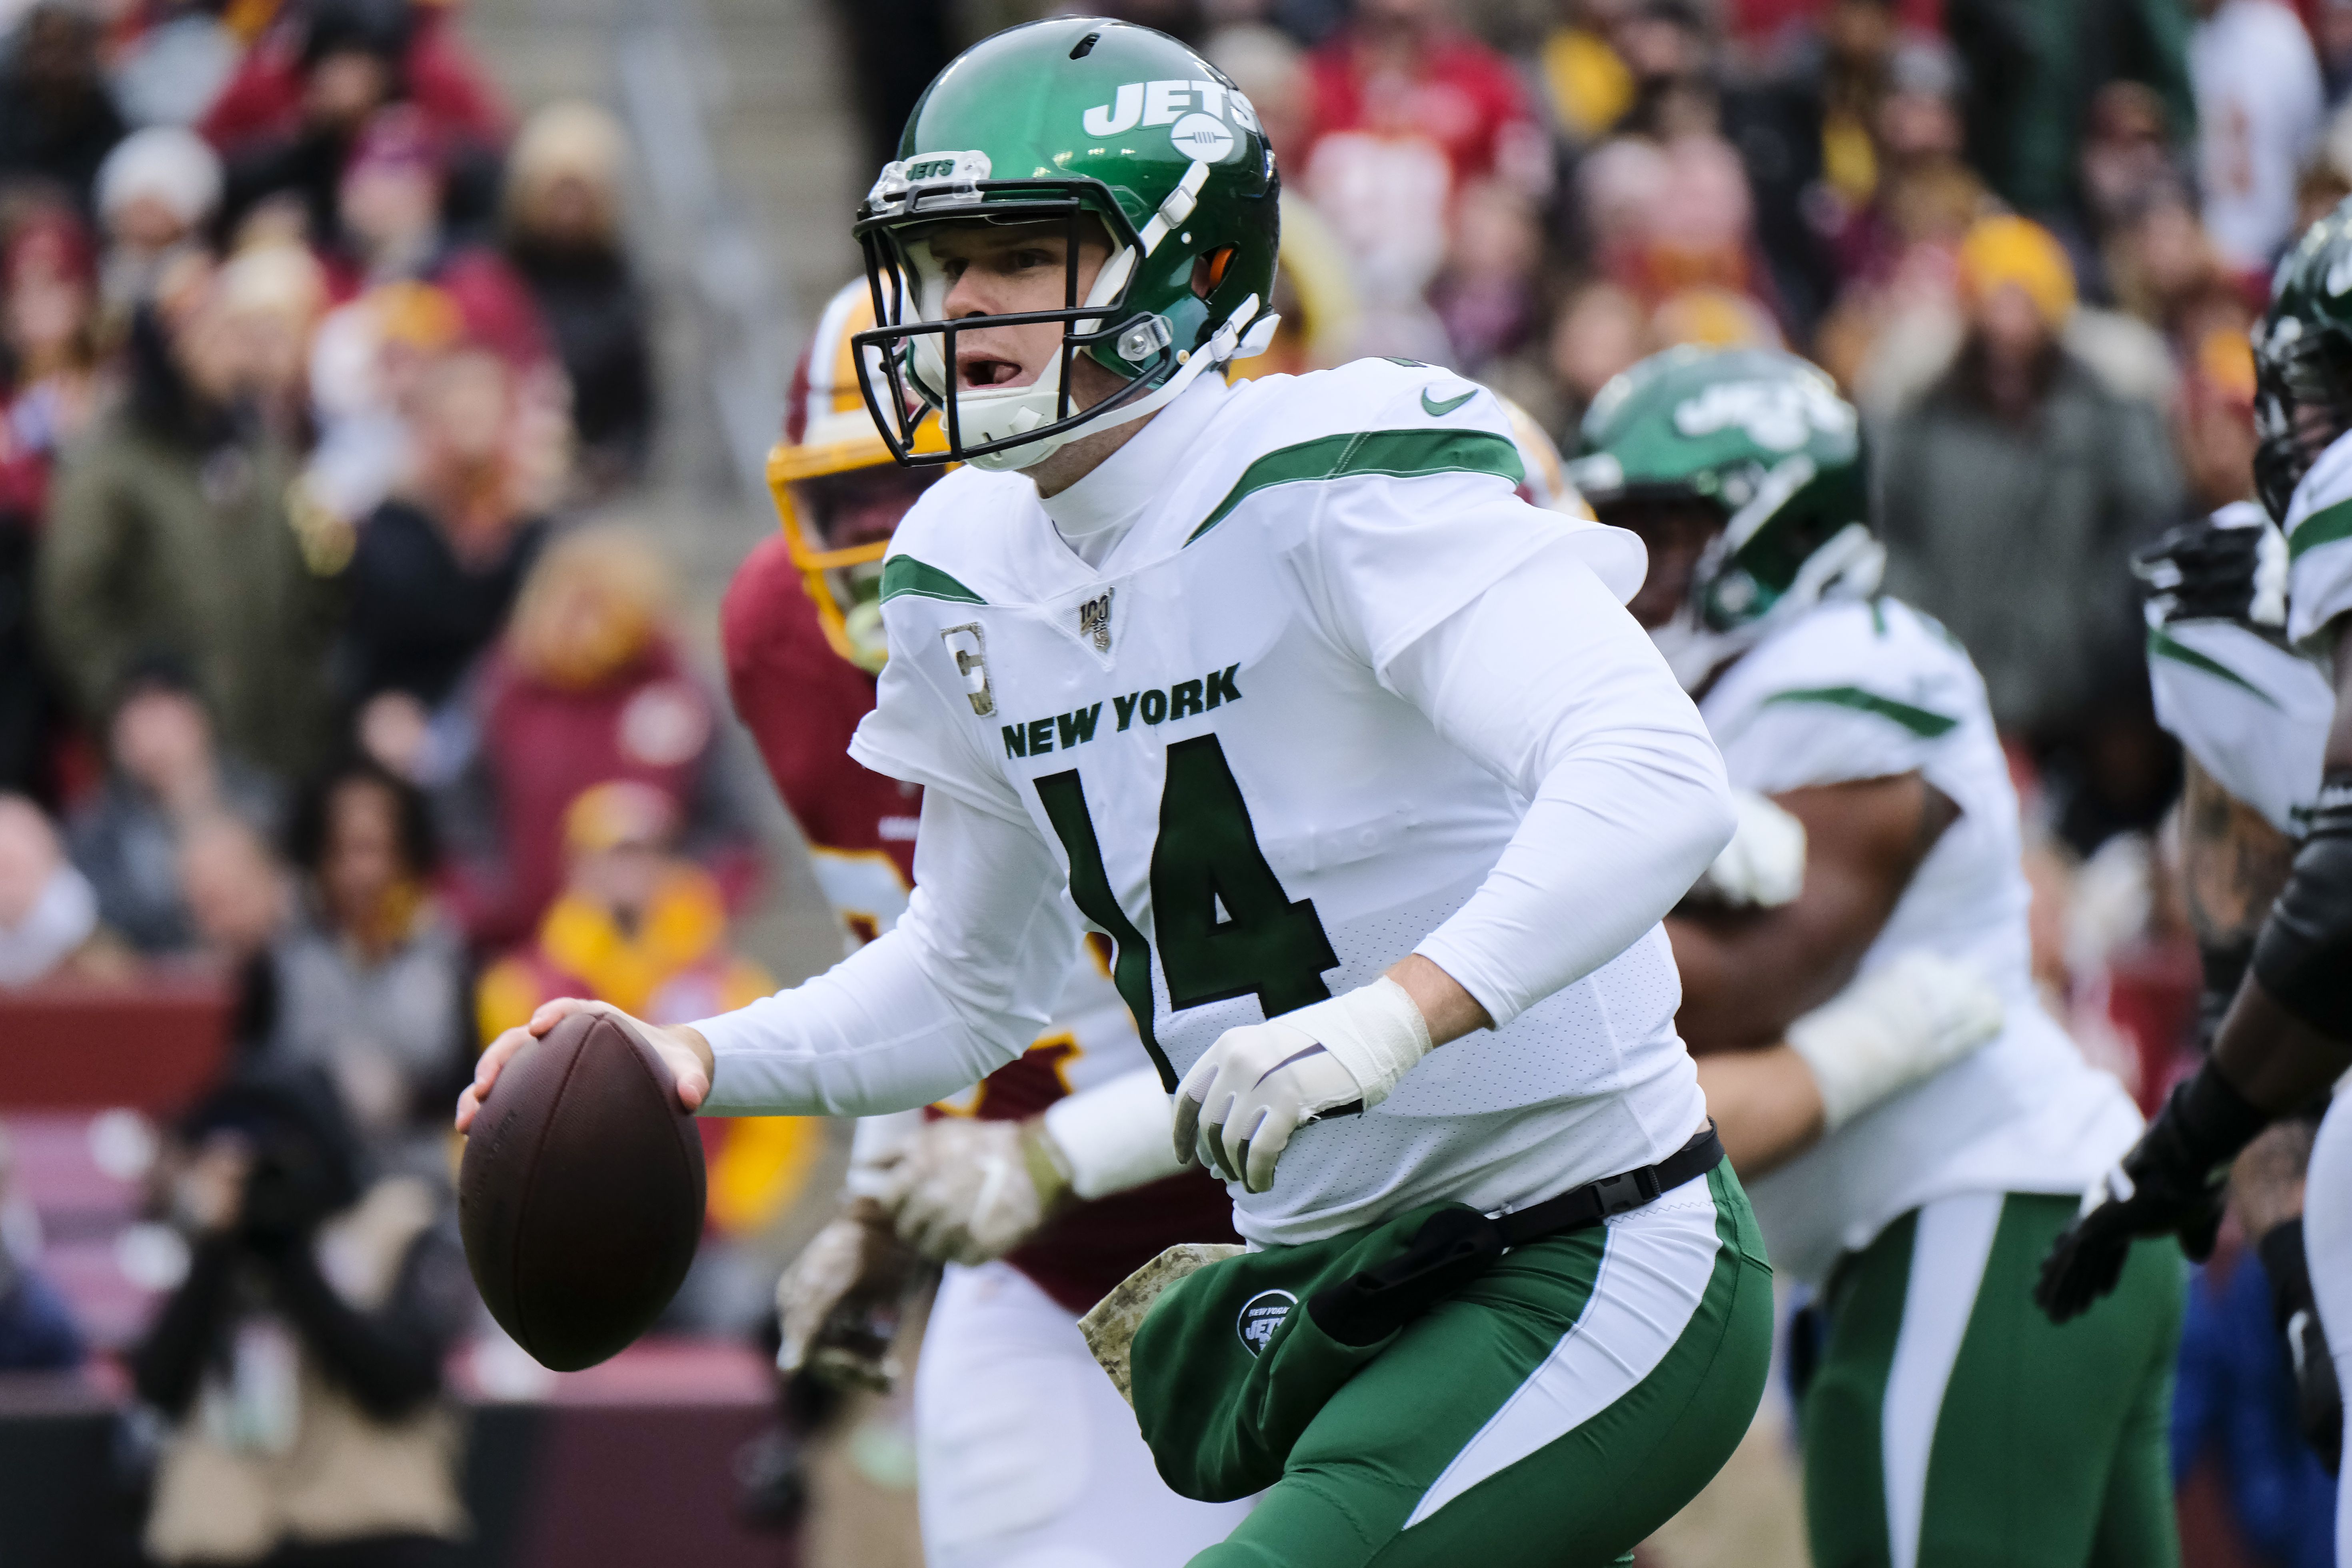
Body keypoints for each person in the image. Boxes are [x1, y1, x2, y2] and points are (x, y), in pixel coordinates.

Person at [462, 22, 1875, 1563]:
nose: (965, 306)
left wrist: (1396, 1012)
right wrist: (683, 1056)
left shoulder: (1336, 474)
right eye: (945, 261)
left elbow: (1654, 773)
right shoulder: (958, 570)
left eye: (1023, 254)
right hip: (1325, 1290)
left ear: (1183, 269)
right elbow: (966, 981)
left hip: (1583, 1240)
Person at [1571, 346, 2172, 1566]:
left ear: (1772, 523)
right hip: (1990, 1214)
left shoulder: (1849, 661)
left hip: (1981, 1209)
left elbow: (1743, 986)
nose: (1629, 566)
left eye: (1659, 527)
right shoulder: (1735, 685)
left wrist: (1508, 944)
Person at [725, 280, 1255, 1565]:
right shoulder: (782, 645)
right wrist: (880, 1200)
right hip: (1041, 1255)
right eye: (855, 508)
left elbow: (1308, 1014)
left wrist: (1048, 1157)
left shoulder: (1191, 598)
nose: (896, 550)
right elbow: (919, 960)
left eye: (928, 496)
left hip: (1314, 1217)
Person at [2038, 199, 2352, 1568]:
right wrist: (2293, 1281)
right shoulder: (2232, 610)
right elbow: (2260, 946)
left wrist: (2176, 1151)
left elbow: (2342, 896)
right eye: (2329, 389)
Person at [1874, 214, 2184, 852]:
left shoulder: (2100, 411)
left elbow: (2146, 513)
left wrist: (2097, 611)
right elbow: (1886, 527)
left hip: (2073, 692)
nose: (2008, 323)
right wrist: (1919, 620)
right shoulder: (1925, 418)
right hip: (1955, 669)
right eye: (1993, 299)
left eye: (2024, 300)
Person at [132, 1064, 472, 1567]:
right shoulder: (214, 1240)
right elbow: (157, 1388)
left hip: (370, 1528)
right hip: (229, 1535)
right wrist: (218, 1251)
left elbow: (405, 1380)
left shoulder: (397, 1224)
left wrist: (292, 1258)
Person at [38, 258, 343, 785]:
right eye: (216, 334)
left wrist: (313, 670)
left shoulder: (267, 450)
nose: (236, 349)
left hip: (284, 733)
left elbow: (322, 558)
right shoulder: (111, 466)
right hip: (173, 752)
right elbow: (73, 608)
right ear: (171, 348)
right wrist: (128, 707)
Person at [435, 526, 759, 949]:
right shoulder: (501, 689)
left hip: (656, 964)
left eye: (605, 603)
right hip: (522, 958)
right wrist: (489, 904)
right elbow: (456, 811)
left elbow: (732, 829)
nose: (587, 624)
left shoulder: (678, 690)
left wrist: (691, 912)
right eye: (574, 603)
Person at [267, 759, 470, 1180]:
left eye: (376, 849)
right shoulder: (283, 957)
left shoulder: (446, 951)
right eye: (342, 852)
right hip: (311, 1172)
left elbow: (457, 1078)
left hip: (428, 1175)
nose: (363, 873)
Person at [66, 662, 280, 956]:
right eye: (137, 725)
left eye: (165, 719)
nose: (154, 740)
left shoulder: (266, 805)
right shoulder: (93, 833)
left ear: (201, 720)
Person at [501, 101, 655, 494]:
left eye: (580, 196)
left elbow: (637, 403)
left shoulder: (621, 288)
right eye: (558, 195)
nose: (568, 211)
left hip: (586, 471)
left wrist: (614, 460)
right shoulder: (501, 271)